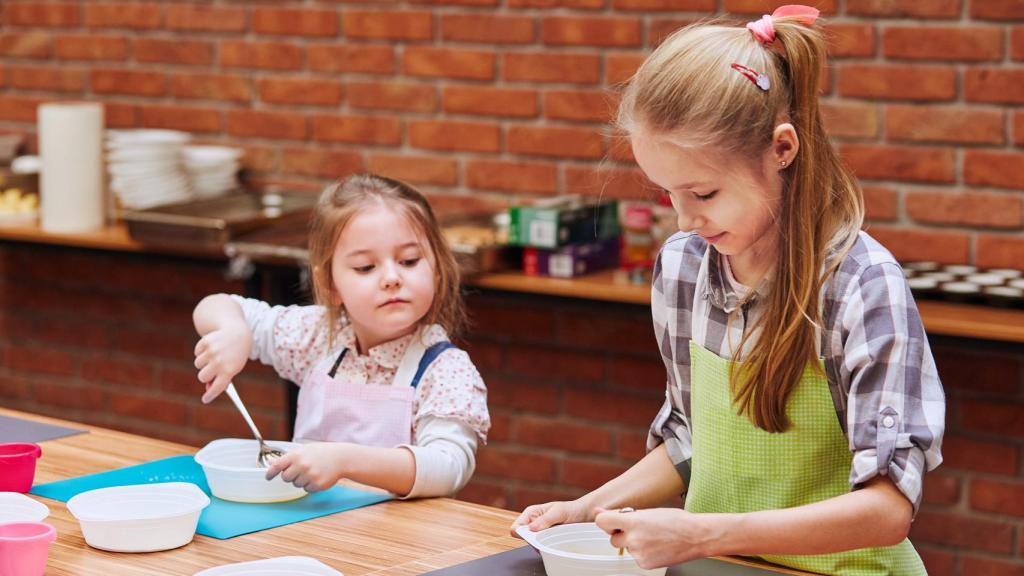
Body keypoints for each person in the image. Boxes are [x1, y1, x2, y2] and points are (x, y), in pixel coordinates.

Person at [512, 6, 944, 575]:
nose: (685, 219)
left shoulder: (862, 285)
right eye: (668, 193)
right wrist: (585, 509)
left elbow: (887, 509)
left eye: (704, 193)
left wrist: (702, 534)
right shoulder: (683, 267)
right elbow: (690, 441)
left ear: (782, 149)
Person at [192, 174, 490, 499]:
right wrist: (234, 331)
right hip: (311, 525)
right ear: (331, 284)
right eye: (365, 267)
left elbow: (448, 468)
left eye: (409, 261)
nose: (391, 277)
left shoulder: (446, 370)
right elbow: (216, 306)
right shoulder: (317, 337)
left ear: (437, 270)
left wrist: (343, 461)